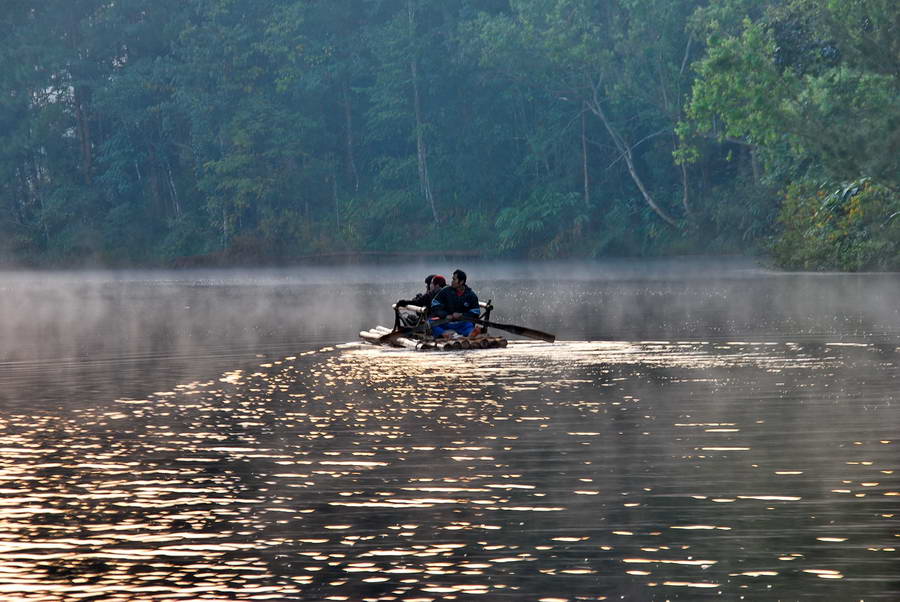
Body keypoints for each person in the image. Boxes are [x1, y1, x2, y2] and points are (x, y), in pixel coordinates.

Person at [430, 269, 480, 338]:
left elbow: (476, 312)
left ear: (461, 282)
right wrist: (446, 315)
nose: (452, 282)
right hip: (446, 322)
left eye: (454, 279)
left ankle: (470, 333)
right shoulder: (446, 291)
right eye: (452, 279)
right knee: (431, 322)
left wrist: (462, 315)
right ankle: (444, 333)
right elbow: (435, 304)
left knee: (468, 325)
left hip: (461, 323)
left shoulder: (471, 295)